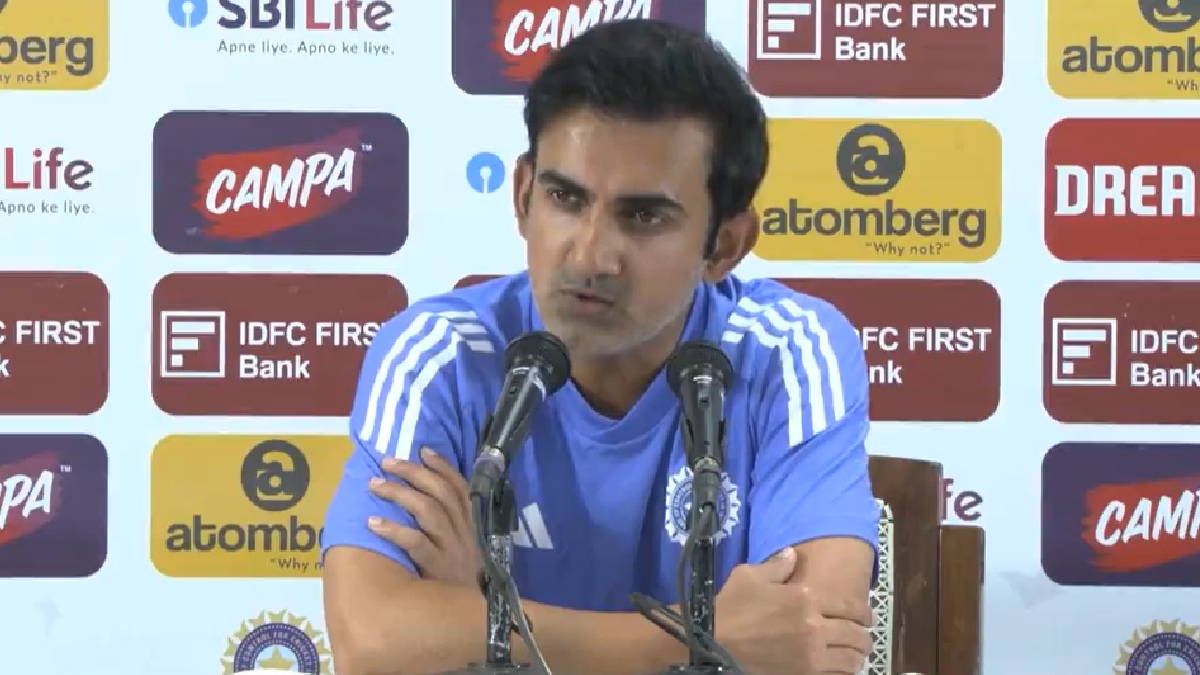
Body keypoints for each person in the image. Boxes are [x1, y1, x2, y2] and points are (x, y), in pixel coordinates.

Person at [321, 18, 879, 675]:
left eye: (643, 216)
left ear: (724, 246)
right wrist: (696, 639)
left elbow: (808, 647)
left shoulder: (791, 351)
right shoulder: (440, 356)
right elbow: (372, 642)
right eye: (566, 198)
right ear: (523, 196)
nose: (589, 257)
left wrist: (479, 614)